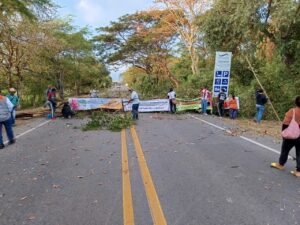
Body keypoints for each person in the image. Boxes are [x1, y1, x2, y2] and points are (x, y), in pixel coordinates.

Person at [271, 96, 300, 177]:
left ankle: (281, 164)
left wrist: (284, 134)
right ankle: (298, 171)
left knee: (285, 150)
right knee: (299, 153)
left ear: (296, 102)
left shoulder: (292, 111)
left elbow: (285, 124)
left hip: (291, 136)